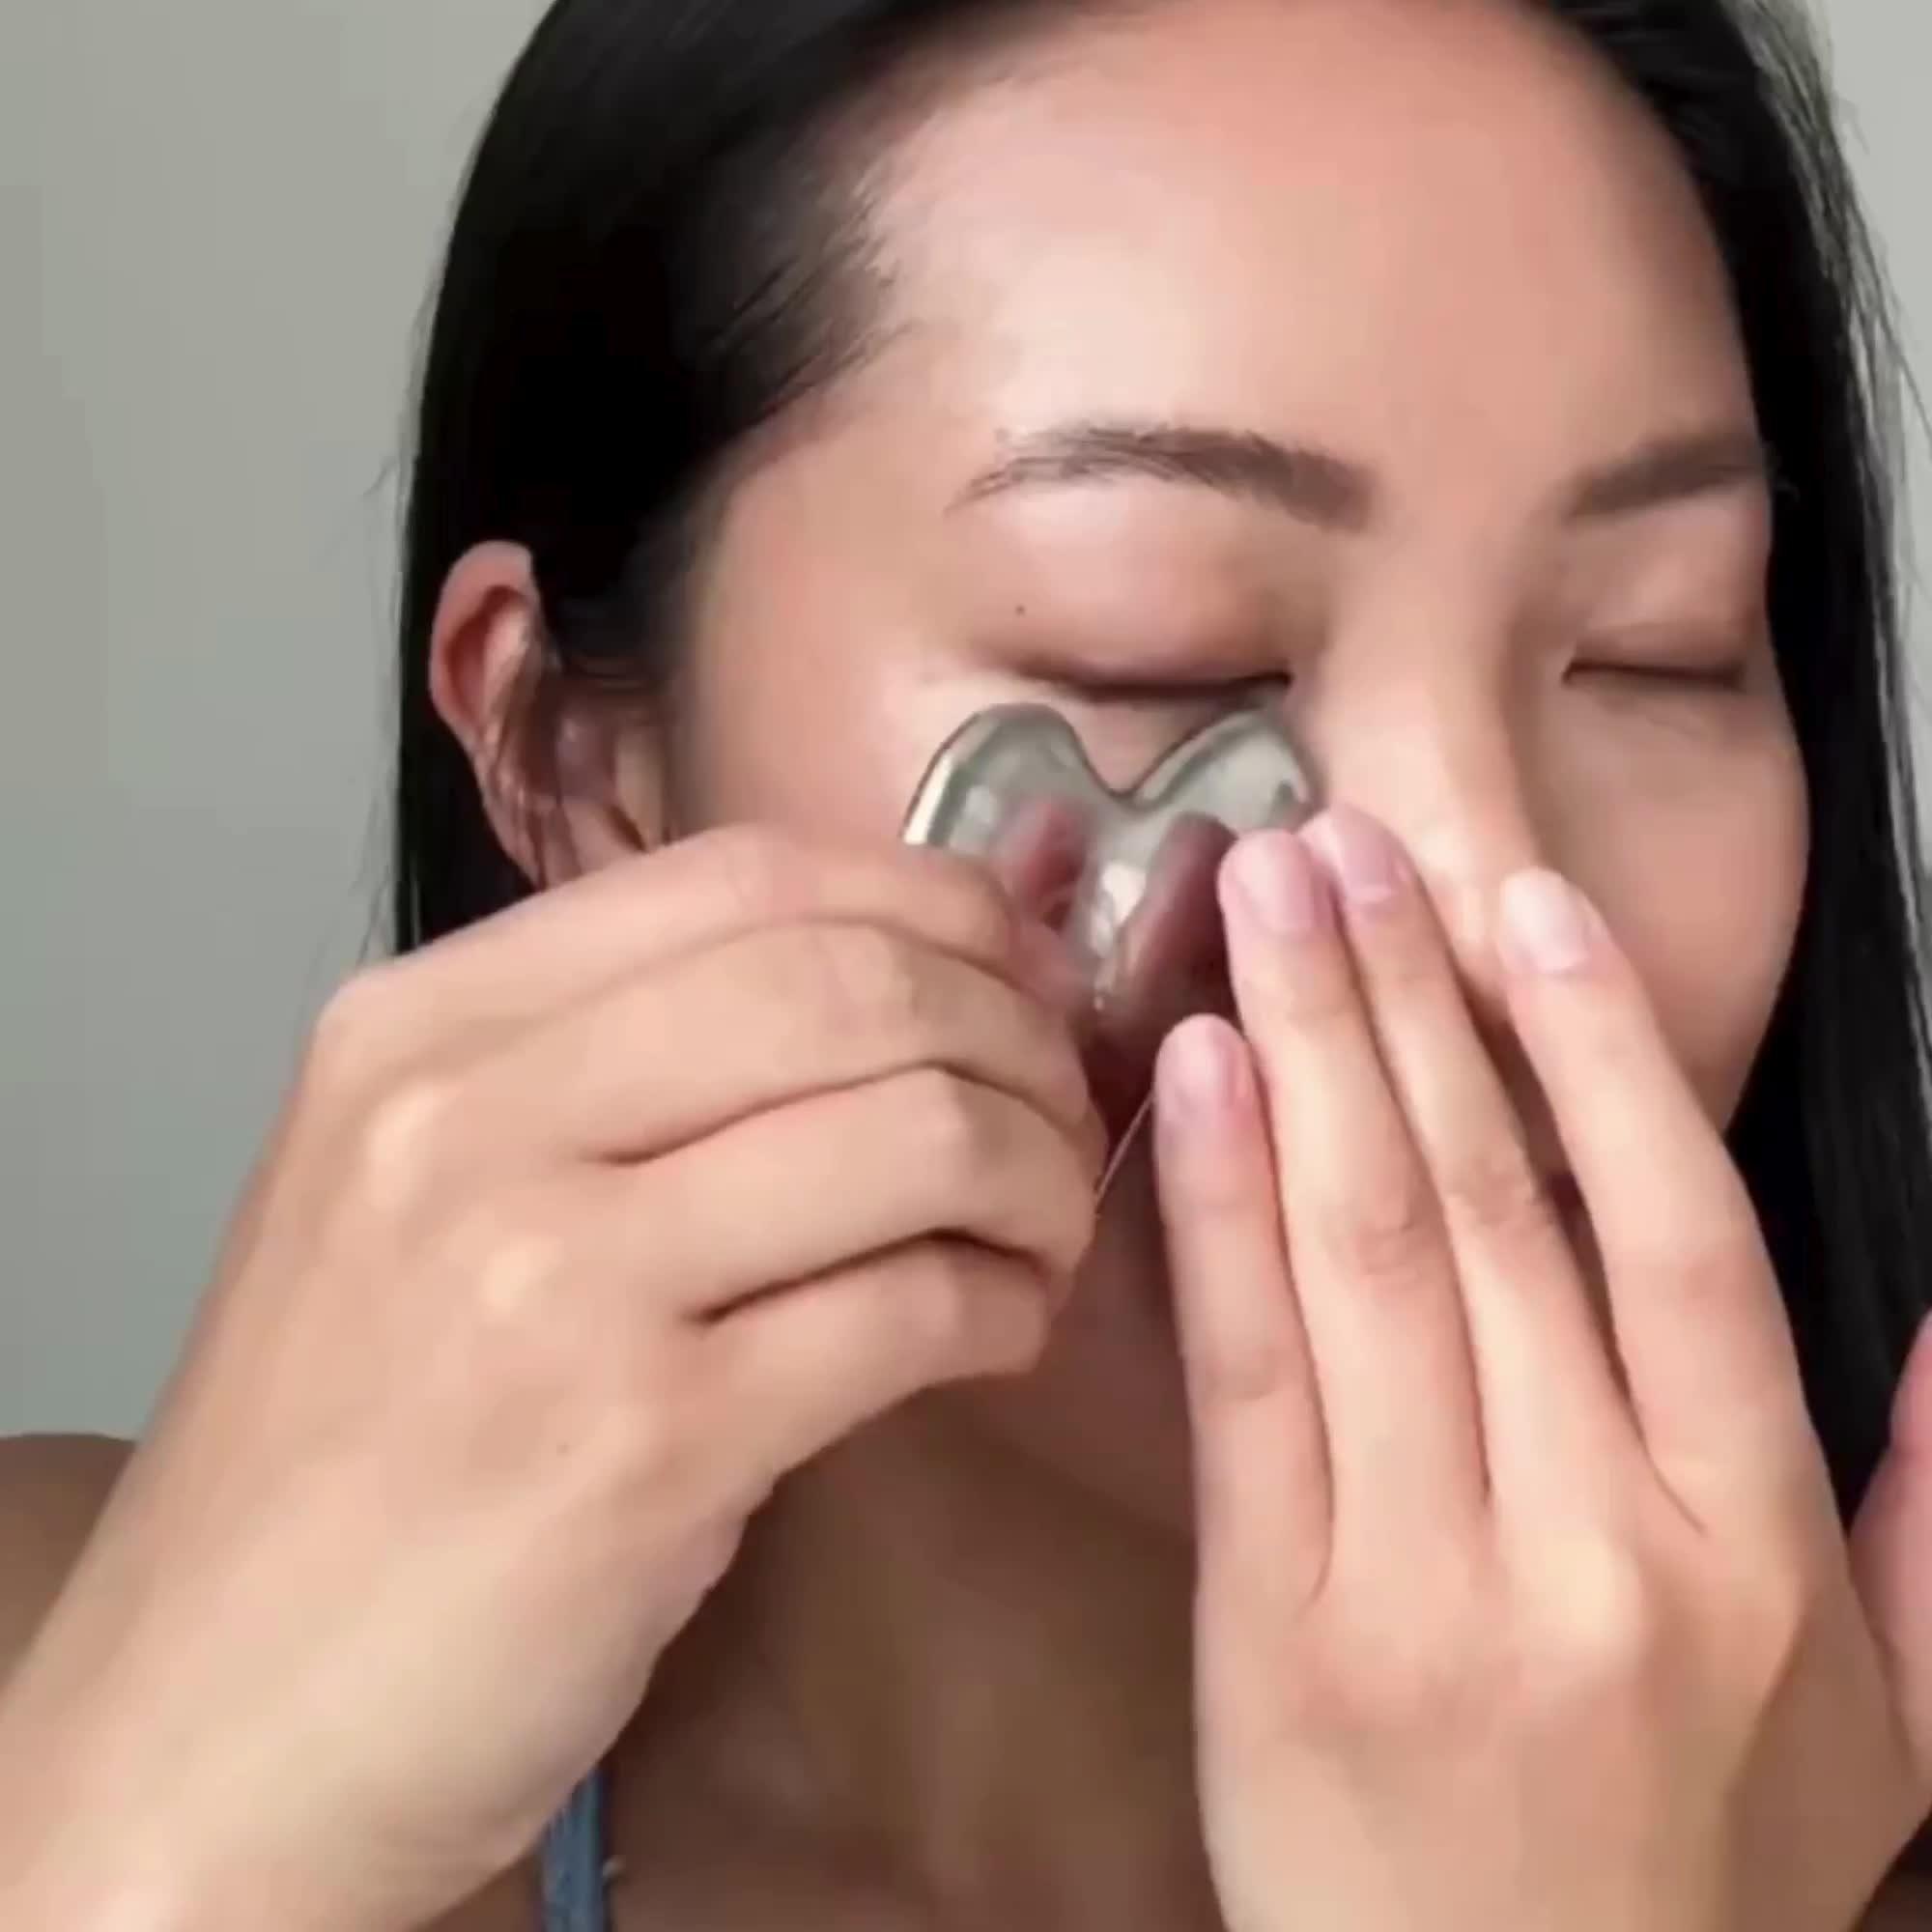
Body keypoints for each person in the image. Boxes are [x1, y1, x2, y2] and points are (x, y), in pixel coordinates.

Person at [5, 0, 1932, 1924]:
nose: (1492, 900)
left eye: (1662, 653)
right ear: (576, 759)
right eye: (1160, 652)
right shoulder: (79, 1688)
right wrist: (149, 1852)